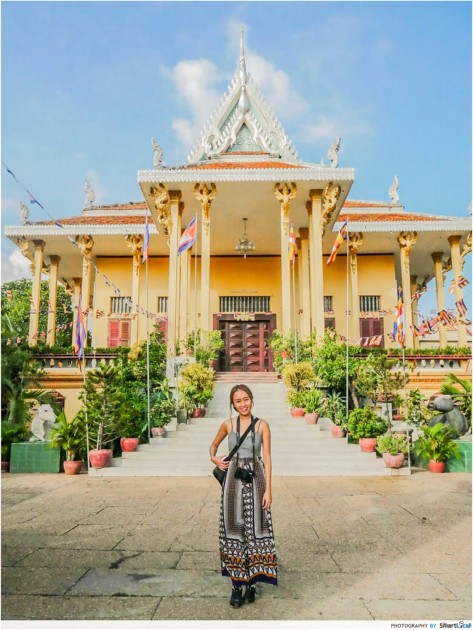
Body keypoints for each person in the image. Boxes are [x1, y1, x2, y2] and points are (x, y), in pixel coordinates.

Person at [209, 384, 278, 608]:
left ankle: (252, 584)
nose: (243, 404)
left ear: (252, 399)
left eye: (246, 399)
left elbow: (266, 457)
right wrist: (214, 458)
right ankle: (236, 586)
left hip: (256, 478)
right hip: (232, 481)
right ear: (233, 404)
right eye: (238, 401)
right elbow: (213, 445)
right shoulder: (228, 424)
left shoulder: (262, 425)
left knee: (257, 529)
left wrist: (268, 489)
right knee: (233, 528)